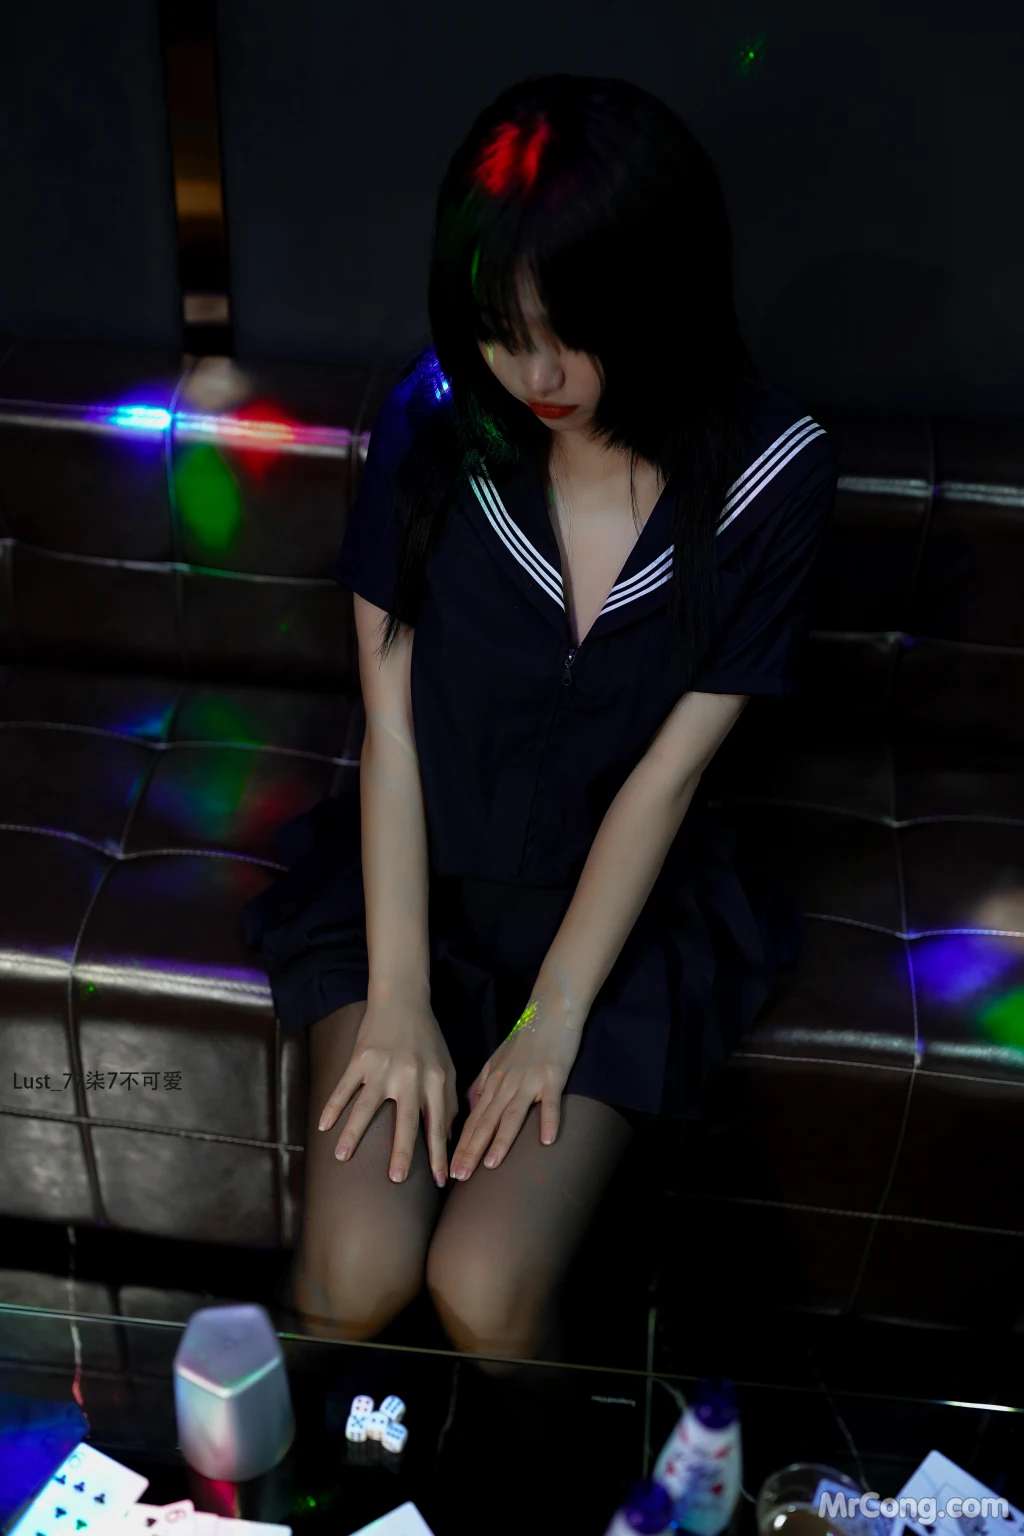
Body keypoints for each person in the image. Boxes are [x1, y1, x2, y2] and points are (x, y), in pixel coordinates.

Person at [239, 72, 838, 1374]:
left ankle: (545, 1456)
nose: (541, 374)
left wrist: (552, 1020)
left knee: (487, 1290)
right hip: (427, 885)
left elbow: (668, 777)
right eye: (503, 333)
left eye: (578, 333)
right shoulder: (437, 420)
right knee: (352, 1279)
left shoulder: (773, 472)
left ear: (665, 299)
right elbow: (391, 732)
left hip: (619, 919)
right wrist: (398, 997)